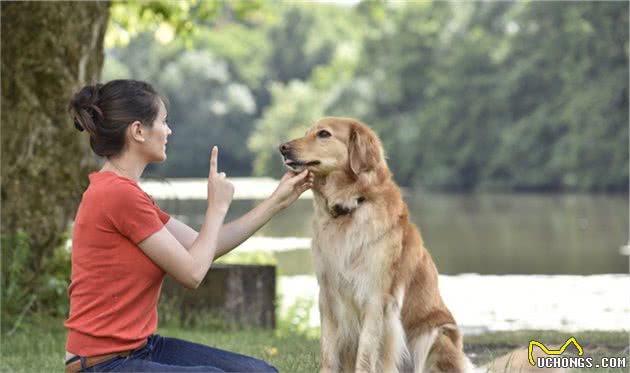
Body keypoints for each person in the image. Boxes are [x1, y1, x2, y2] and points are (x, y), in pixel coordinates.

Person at [64, 79, 312, 372]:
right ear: (138, 131)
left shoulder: (127, 194)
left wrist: (277, 201)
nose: (168, 131)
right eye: (163, 122)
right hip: (102, 364)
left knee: (260, 372)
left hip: (141, 349)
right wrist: (216, 208)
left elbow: (202, 247)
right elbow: (193, 273)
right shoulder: (117, 195)